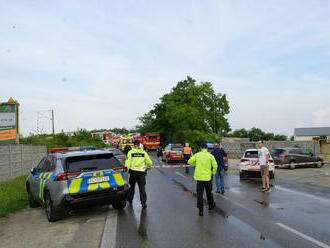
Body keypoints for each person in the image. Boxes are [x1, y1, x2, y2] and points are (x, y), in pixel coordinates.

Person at [188, 143, 218, 216]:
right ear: (207, 148)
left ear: (201, 148)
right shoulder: (210, 156)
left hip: (199, 179)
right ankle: (211, 207)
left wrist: (196, 164)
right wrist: (212, 173)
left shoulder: (197, 155)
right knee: (209, 193)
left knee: (200, 195)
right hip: (208, 178)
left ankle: (201, 211)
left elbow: (189, 162)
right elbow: (215, 166)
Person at [125, 140, 153, 208]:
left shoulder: (130, 152)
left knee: (132, 187)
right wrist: (149, 166)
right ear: (139, 144)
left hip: (133, 172)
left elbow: (128, 162)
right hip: (141, 173)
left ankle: (130, 199)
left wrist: (127, 169)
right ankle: (143, 203)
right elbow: (149, 161)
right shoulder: (143, 152)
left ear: (134, 145)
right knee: (142, 188)